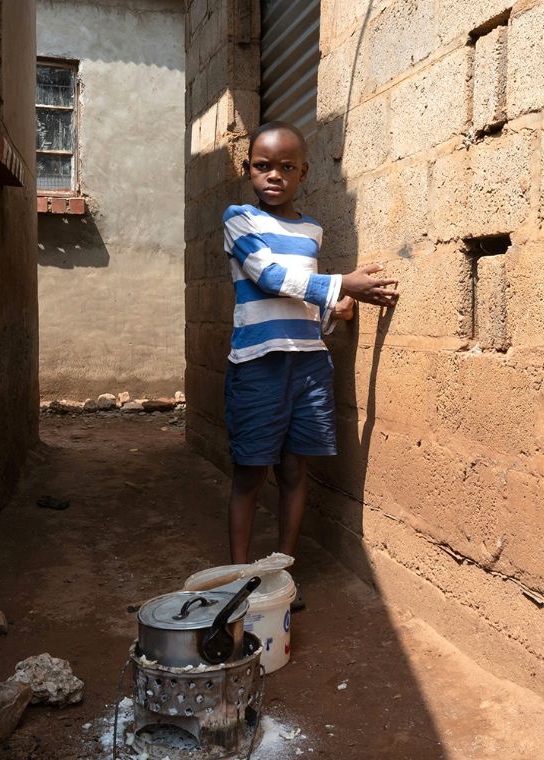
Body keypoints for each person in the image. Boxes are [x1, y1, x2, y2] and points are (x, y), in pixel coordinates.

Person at [222, 121, 400, 606]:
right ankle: (240, 578)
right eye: (262, 166)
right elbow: (268, 277)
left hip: (308, 367)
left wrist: (333, 313)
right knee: (250, 472)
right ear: (248, 170)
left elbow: (305, 302)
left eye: (285, 167)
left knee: (295, 471)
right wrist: (344, 285)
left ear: (304, 171)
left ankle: (281, 573)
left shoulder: (312, 232)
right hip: (259, 366)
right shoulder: (239, 219)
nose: (273, 175)